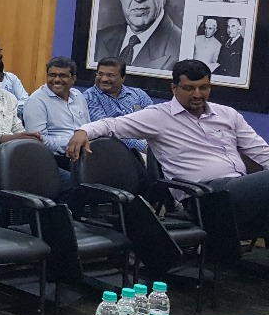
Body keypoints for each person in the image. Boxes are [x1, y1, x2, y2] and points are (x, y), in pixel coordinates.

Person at [69, 60, 269, 239]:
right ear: (174, 88)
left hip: (238, 188)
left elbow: (260, 150)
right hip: (205, 197)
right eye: (189, 88)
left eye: (204, 87)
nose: (198, 95)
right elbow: (111, 125)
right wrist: (82, 131)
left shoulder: (227, 114)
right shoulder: (159, 117)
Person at [23, 57, 90, 157]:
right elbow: (38, 140)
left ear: (73, 79)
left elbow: (87, 126)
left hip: (84, 153)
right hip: (54, 158)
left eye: (62, 75)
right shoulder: (36, 101)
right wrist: (73, 143)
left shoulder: (78, 95)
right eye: (52, 75)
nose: (57, 80)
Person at [83, 57, 153, 152]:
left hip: (148, 144)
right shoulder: (89, 97)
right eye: (100, 74)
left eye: (111, 75)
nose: (104, 79)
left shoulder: (139, 94)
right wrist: (144, 147)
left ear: (123, 78)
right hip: (112, 150)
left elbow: (153, 121)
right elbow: (105, 131)